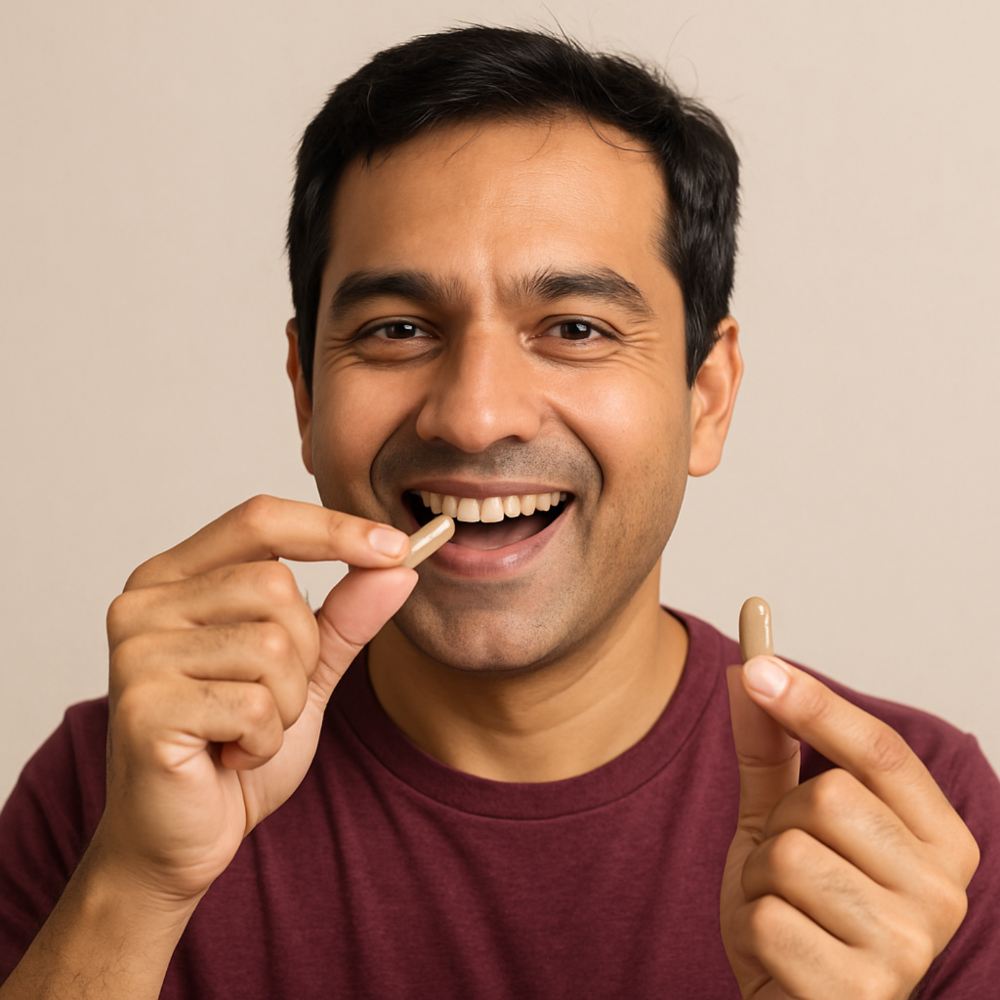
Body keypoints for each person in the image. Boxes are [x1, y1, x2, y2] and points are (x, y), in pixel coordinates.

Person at [1, 25, 997, 999]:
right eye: (398, 329)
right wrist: (137, 887)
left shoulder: (914, 826)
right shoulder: (115, 790)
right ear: (305, 393)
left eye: (576, 329)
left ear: (706, 396)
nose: (475, 417)